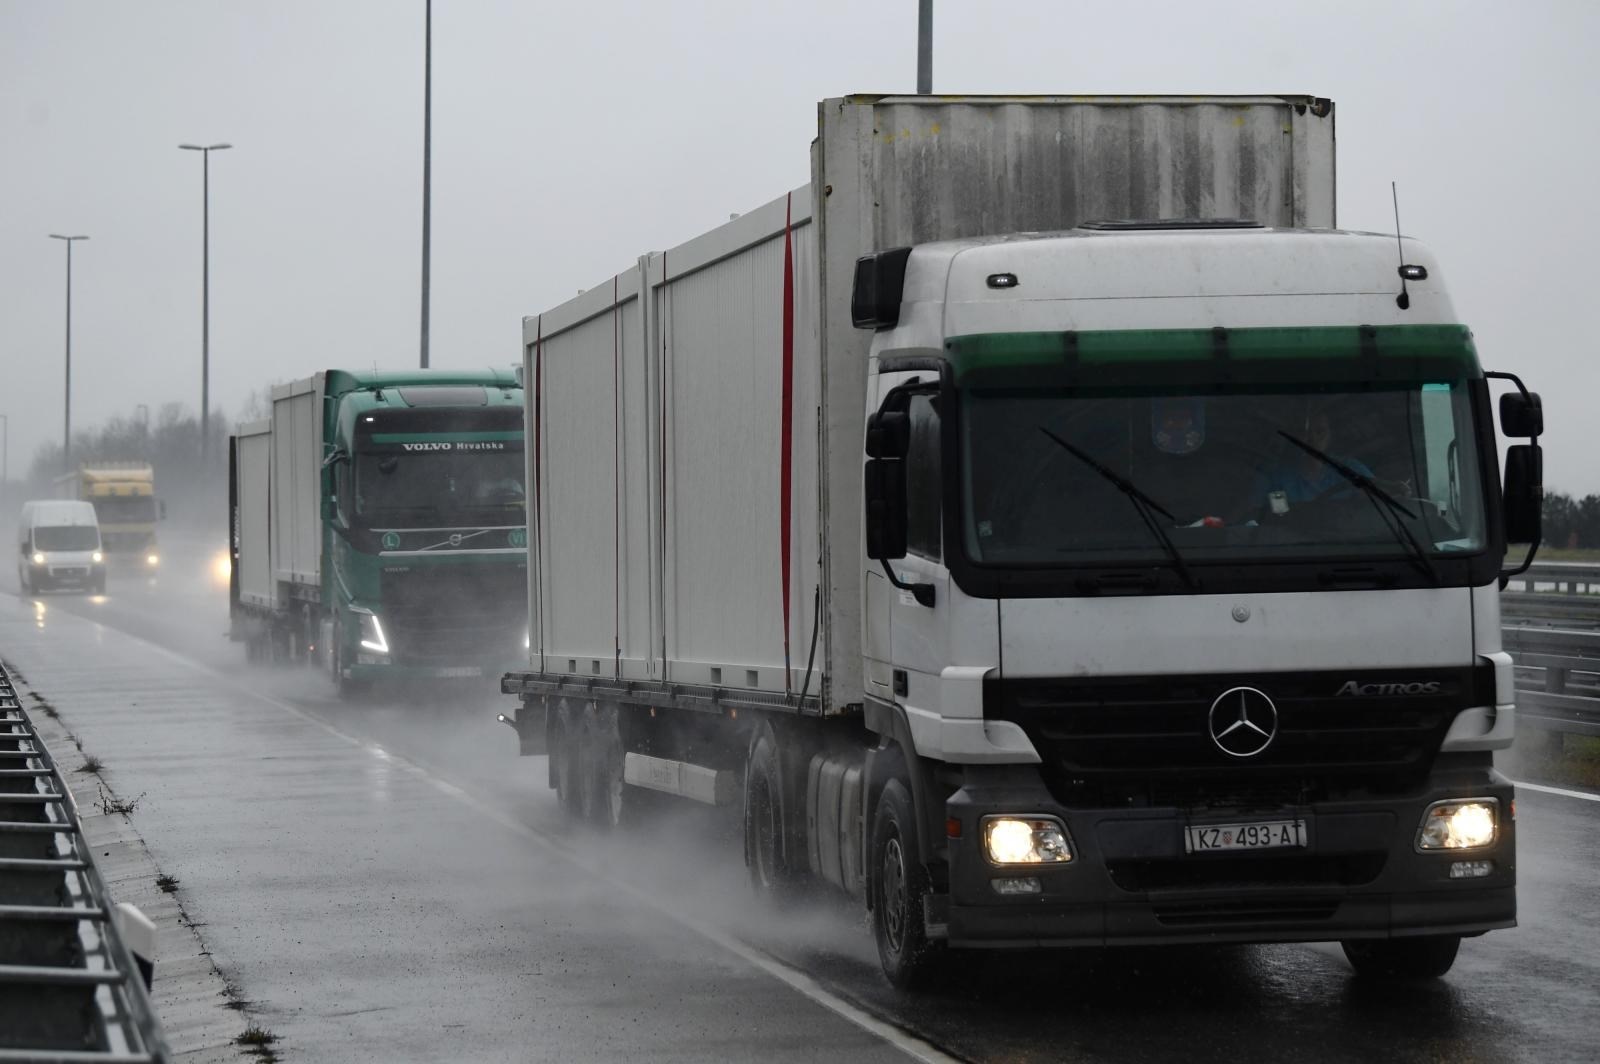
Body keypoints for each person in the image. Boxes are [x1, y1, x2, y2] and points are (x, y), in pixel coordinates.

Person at [1253, 408, 1373, 507]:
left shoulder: (1351, 469)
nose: (1313, 439)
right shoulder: (1278, 477)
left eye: (1320, 431)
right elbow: (1278, 515)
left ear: (1330, 436)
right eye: (1305, 432)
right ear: (1295, 436)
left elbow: (1376, 502)